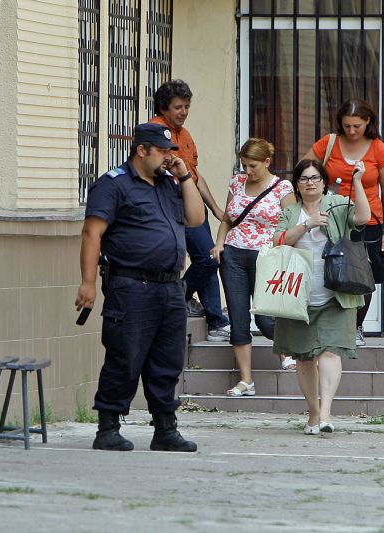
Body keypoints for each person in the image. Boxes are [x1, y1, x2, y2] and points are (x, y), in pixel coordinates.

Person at [74, 122, 204, 452]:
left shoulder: (168, 183)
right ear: (141, 150)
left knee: (167, 361)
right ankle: (108, 428)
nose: (166, 157)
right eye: (161, 151)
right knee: (125, 357)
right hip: (131, 285)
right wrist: (88, 283)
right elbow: (92, 234)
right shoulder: (114, 184)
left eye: (170, 152)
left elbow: (196, 219)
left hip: (170, 287)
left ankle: (165, 429)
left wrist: (185, 175)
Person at [272, 159, 371, 435]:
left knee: (330, 351)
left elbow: (363, 217)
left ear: (324, 182)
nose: (310, 183)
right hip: (298, 294)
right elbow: (277, 241)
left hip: (335, 293)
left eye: (315, 178)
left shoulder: (337, 204)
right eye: (304, 179)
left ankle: (326, 413)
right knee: (304, 357)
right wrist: (307, 225)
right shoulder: (290, 212)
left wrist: (359, 181)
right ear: (297, 185)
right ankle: (313, 413)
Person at [303, 98, 384, 346]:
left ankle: (356, 325)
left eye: (357, 126)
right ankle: (331, 323)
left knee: (364, 273)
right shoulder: (329, 142)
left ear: (368, 122)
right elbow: (305, 169)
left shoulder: (378, 149)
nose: (352, 131)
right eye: (347, 126)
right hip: (332, 217)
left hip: (369, 220)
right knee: (332, 268)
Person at [212, 139, 297, 397]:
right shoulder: (237, 183)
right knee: (238, 318)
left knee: (265, 316)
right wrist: (219, 244)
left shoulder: (282, 187)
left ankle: (286, 351)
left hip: (266, 257)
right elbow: (228, 218)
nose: (247, 171)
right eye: (244, 165)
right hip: (234, 255)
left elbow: (291, 224)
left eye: (253, 165)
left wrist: (286, 253)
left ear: (267, 162)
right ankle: (246, 380)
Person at [150, 79, 231, 342]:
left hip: (192, 198)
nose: (183, 112)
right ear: (164, 108)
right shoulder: (154, 131)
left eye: (186, 106)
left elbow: (195, 175)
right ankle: (181, 297)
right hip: (172, 202)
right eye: (178, 107)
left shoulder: (184, 134)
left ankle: (215, 319)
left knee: (209, 257)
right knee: (207, 259)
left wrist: (217, 208)